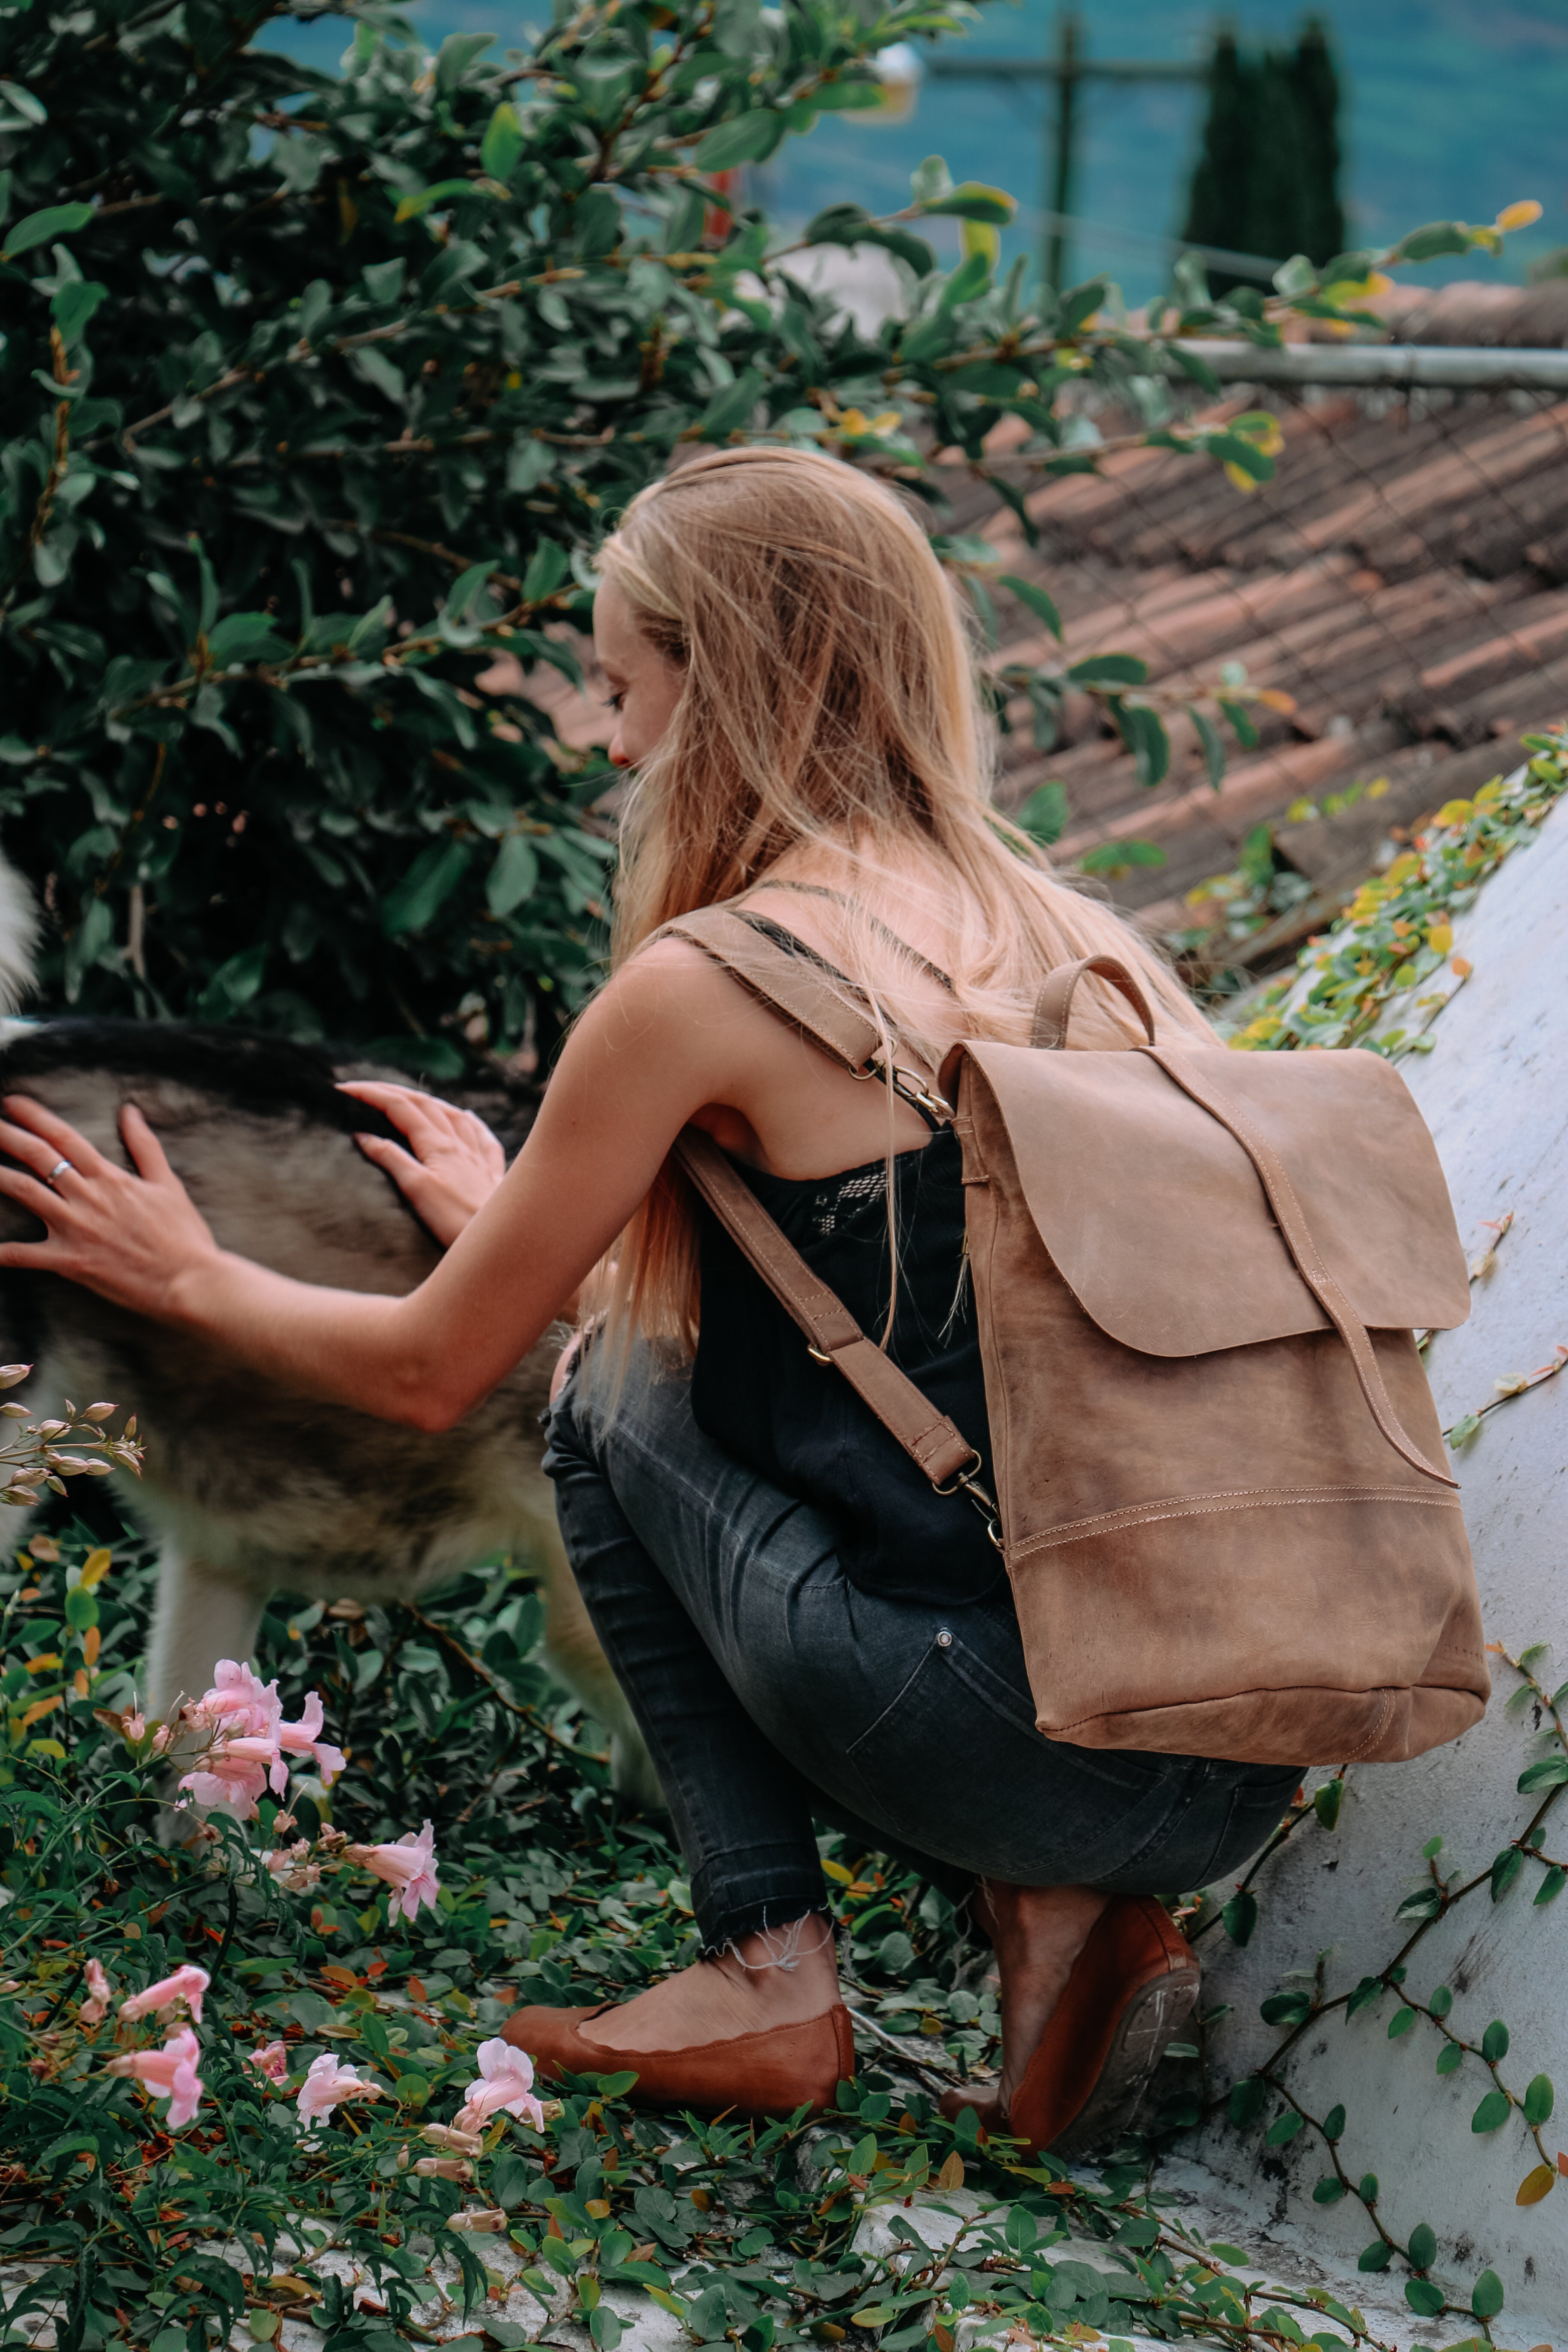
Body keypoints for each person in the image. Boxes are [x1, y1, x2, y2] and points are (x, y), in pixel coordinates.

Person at [0, 447, 1300, 2152]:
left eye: (621, 688)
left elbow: (433, 1375)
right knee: (693, 1379)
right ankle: (1059, 1920)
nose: (610, 743)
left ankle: (770, 1967)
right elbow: (920, 1326)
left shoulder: (716, 979)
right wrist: (522, 1226)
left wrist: (191, 1272)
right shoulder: (1075, 938)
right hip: (1236, 1754)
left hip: (991, 1739)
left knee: (600, 1400)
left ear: (729, 677)